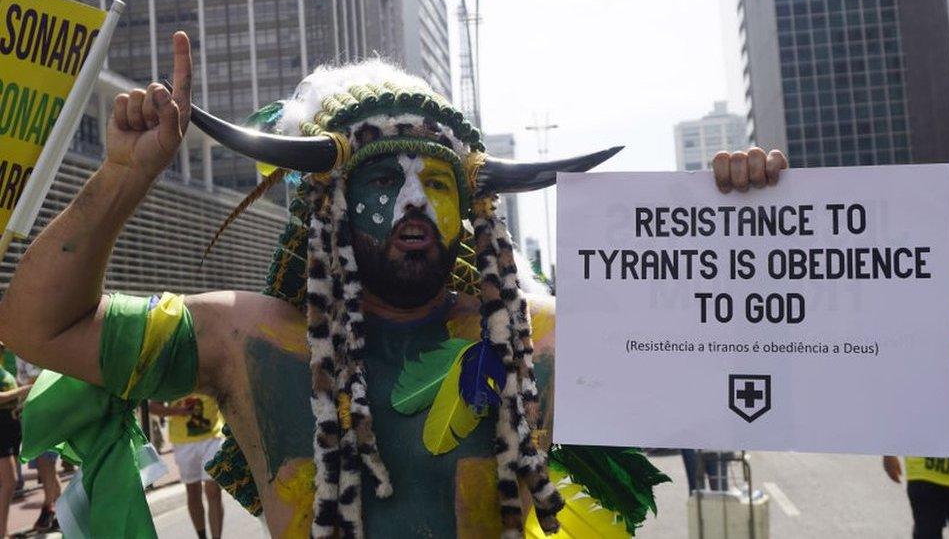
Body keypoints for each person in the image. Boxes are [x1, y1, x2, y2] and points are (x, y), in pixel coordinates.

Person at [0, 32, 787, 538]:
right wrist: (120, 179)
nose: (413, 204)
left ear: (472, 206)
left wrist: (743, 218)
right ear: (331, 203)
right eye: (384, 180)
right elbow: (40, 325)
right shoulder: (248, 340)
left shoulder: (532, 340)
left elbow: (732, 349)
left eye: (437, 185)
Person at [882, 300, 949, 539]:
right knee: (925, 531)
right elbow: (898, 402)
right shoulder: (913, 355)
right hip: (924, 469)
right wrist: (889, 450)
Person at [149, 395, 224, 539]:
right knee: (193, 491)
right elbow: (153, 406)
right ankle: (202, 536)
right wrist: (177, 411)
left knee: (213, 490)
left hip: (213, 436)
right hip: (183, 442)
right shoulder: (170, 374)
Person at [15, 357, 62, 532]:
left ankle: (48, 508)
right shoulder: (21, 347)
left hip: (43, 408)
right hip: (33, 409)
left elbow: (38, 377)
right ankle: (59, 509)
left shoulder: (29, 345)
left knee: (46, 463)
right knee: (46, 466)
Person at [0, 358, 30, 537]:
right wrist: (23, 390)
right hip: (1, 429)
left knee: (9, 481)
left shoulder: (3, 369)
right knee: (10, 481)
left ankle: (4, 530)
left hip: (10, 426)